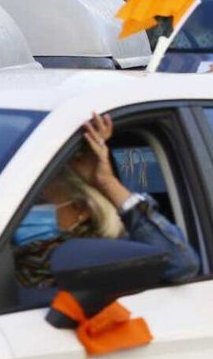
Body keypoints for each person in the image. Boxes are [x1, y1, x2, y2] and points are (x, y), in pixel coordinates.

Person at [13, 114, 200, 289]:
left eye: (39, 201)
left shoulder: (110, 255)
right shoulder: (2, 253)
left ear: (82, 209)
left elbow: (180, 265)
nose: (26, 211)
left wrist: (107, 183)